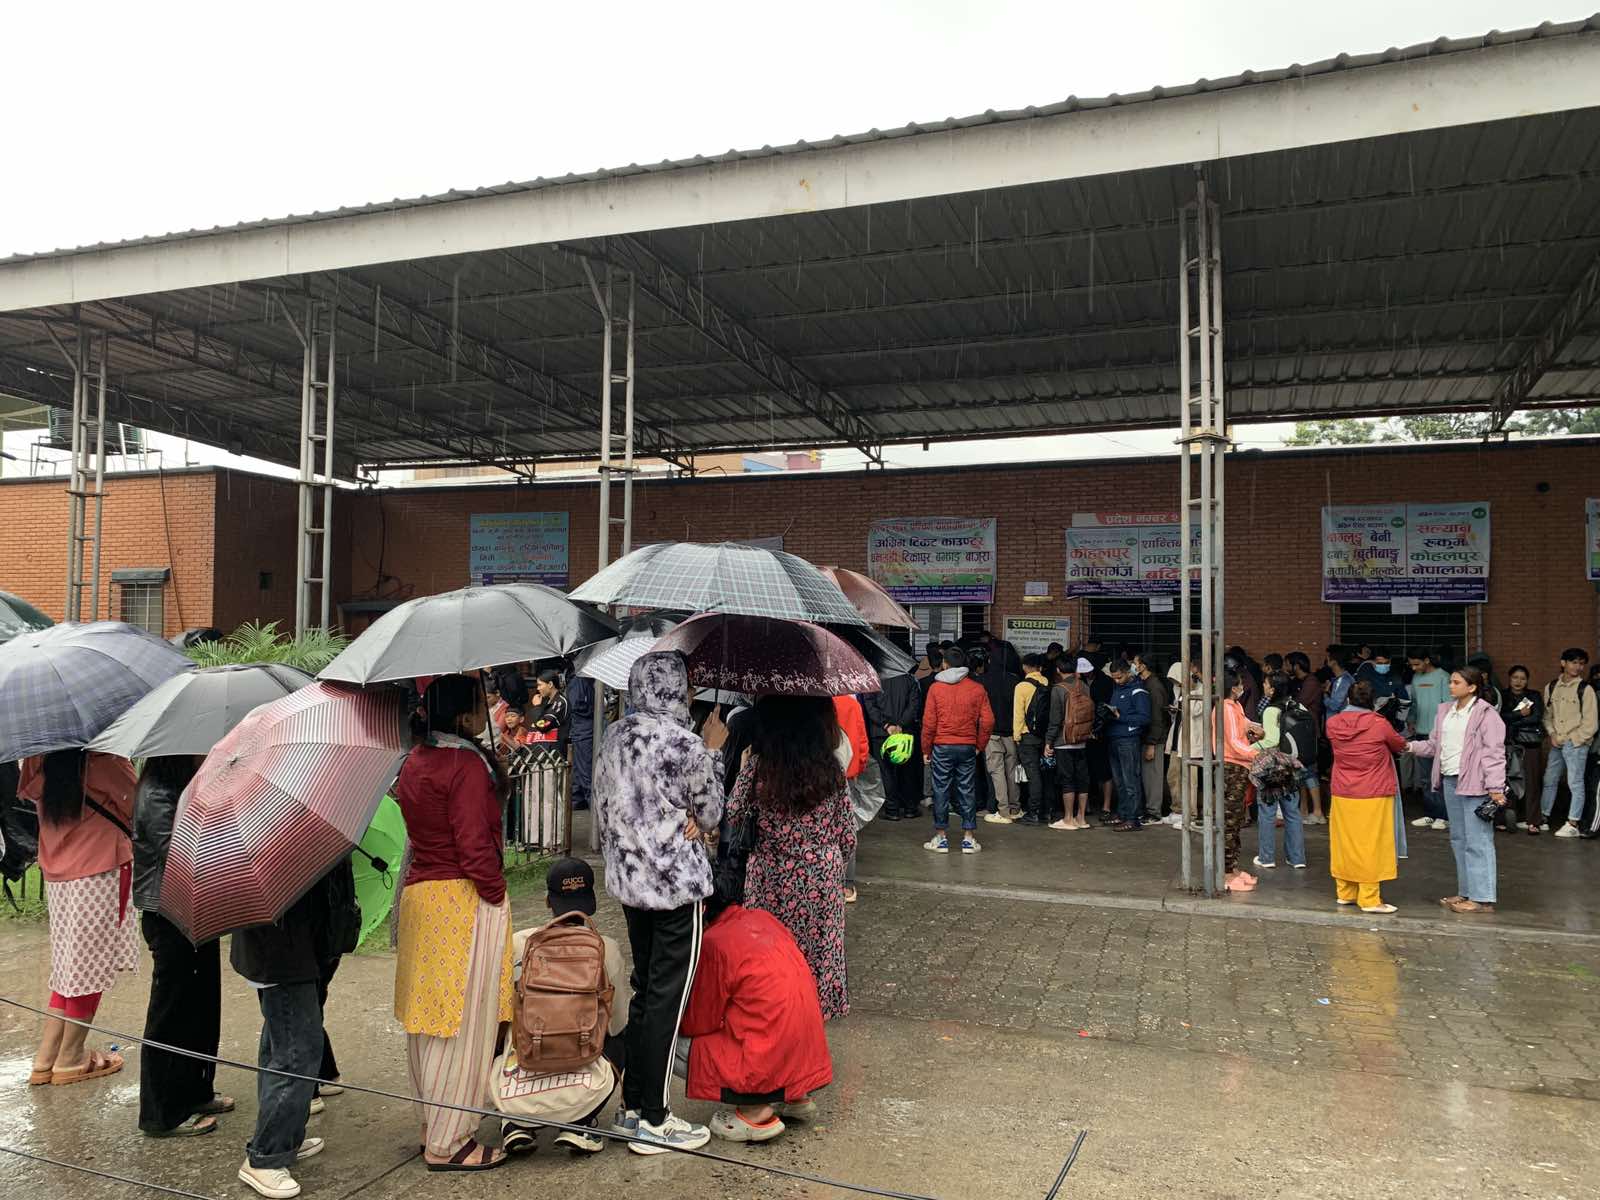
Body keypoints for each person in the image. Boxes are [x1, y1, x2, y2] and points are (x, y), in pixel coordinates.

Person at [595, 651, 724, 1153]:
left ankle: (633, 1107)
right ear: (678, 689)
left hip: (630, 887)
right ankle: (655, 1117)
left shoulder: (614, 738)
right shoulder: (686, 744)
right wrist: (712, 750)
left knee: (647, 992)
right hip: (677, 889)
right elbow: (711, 814)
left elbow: (613, 811)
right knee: (667, 1001)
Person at [394, 674, 516, 1173]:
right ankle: (450, 1143)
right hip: (463, 901)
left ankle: (434, 1123)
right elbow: (472, 846)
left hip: (422, 898)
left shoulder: (416, 760)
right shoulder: (463, 764)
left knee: (430, 1021)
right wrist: (496, 893)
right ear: (465, 716)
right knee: (465, 1023)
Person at [674, 870, 832, 1143]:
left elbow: (699, 1021)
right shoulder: (763, 918)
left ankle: (755, 1109)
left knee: (669, 1041)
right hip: (807, 1052)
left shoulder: (714, 942)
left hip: (765, 1054)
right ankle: (794, 1095)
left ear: (701, 908)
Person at [232, 855, 357, 1198]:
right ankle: (266, 1157)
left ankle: (283, 1140)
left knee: (280, 1047)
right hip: (281, 953)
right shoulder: (264, 835)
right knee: (296, 1053)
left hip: (294, 950)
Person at [726, 695, 855, 1018]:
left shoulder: (759, 766)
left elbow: (733, 814)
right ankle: (812, 1018)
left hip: (769, 875)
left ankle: (770, 1011)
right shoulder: (831, 769)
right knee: (817, 953)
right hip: (820, 878)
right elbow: (848, 835)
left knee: (768, 951)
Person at [495, 859, 630, 1157]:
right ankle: (580, 1122)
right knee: (625, 1033)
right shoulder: (605, 948)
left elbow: (501, 1016)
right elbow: (618, 1023)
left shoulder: (518, 944)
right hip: (581, 1065)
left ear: (547, 900)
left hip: (523, 1062)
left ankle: (514, 1121)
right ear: (591, 902)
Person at [21, 749, 139, 1088]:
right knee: (91, 966)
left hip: (57, 868)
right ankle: (72, 1057)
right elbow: (135, 806)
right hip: (99, 866)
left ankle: (47, 1059)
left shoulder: (37, 756)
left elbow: (30, 793)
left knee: (69, 964)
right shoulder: (104, 757)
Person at [133, 755, 232, 1137]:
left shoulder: (183, 788)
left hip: (194, 910)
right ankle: (162, 1113)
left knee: (202, 1006)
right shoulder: (156, 795)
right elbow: (180, 852)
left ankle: (194, 1090)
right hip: (168, 912)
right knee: (171, 1012)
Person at [1405, 666, 1507, 915]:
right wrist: (1407, 746)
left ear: (1471, 687)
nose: (1450, 686)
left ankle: (1483, 899)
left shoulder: (1486, 714)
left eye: (1456, 682)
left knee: (1478, 841)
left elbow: (1494, 753)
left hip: (1475, 782)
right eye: (1451, 682)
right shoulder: (1445, 712)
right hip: (1451, 780)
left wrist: (1495, 787)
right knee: (1459, 839)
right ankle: (1466, 892)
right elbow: (1433, 745)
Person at [1325, 680, 1408, 914]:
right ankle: (1370, 898)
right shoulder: (1379, 724)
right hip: (1374, 791)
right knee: (1372, 844)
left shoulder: (1332, 724)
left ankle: (1346, 892)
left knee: (1344, 842)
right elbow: (1399, 744)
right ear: (1373, 702)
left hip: (1342, 790)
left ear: (1348, 700)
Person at [920, 646, 994, 854]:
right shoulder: (977, 689)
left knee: (941, 789)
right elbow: (988, 721)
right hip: (967, 746)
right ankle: (969, 838)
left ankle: (941, 837)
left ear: (945, 664)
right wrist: (979, 744)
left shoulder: (936, 689)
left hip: (942, 745)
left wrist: (926, 748)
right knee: (966, 788)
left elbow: (928, 722)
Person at [1251, 672, 1307, 872]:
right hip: (1293, 765)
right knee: (1292, 812)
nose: (1264, 686)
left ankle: (1267, 857)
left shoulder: (1270, 710)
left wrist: (1249, 747)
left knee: (1267, 812)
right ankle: (1297, 858)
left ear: (1272, 689)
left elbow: (1271, 740)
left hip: (1273, 765)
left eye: (1265, 684)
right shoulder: (1297, 706)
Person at [1539, 648, 1596, 838]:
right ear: (1563, 663)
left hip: (1576, 743)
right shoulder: (1551, 686)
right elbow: (1548, 716)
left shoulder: (1585, 689)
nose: (1578, 667)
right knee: (1550, 780)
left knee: (1575, 782)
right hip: (1557, 741)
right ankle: (1543, 817)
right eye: (1574, 662)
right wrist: (1552, 734)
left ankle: (1573, 822)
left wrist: (1574, 740)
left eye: (1581, 663)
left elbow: (1591, 723)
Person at [1216, 673, 1260, 891]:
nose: (1243, 686)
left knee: (1235, 821)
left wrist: (1254, 733)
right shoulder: (1226, 709)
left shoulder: (1235, 707)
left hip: (1239, 767)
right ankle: (1225, 873)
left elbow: (1240, 736)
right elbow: (1233, 742)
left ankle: (1231, 868)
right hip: (1232, 767)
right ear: (1233, 688)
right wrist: (1256, 754)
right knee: (1229, 822)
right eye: (1240, 684)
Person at [866, 658, 924, 822]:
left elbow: (870, 706)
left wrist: (886, 725)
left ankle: (892, 809)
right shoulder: (909, 680)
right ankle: (910, 808)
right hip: (905, 733)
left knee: (886, 772)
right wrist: (900, 725)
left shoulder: (874, 679)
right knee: (907, 770)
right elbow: (914, 706)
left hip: (881, 733)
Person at [974, 648, 1022, 823]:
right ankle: (1015, 808)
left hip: (992, 733)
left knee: (997, 772)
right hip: (1011, 733)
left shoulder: (982, 682)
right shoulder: (1015, 681)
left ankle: (1003, 812)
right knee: (1011, 772)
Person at [833, 693, 872, 904]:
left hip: (818, 769)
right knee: (848, 826)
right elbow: (861, 738)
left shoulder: (816, 701)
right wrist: (860, 764)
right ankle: (847, 885)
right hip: (847, 771)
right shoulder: (851, 703)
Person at [1406, 649, 1452, 830]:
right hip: (1421, 732)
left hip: (1439, 734)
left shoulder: (1444, 677)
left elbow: (1448, 706)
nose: (1414, 668)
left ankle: (1444, 816)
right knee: (1425, 778)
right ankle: (1430, 814)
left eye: (1417, 664)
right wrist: (1411, 719)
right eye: (1411, 664)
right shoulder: (1416, 679)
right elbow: (1414, 703)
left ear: (1427, 660)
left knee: (1440, 776)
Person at [1049, 657, 1096, 830]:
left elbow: (1055, 720)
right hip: (1082, 740)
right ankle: (1081, 818)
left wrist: (1049, 742)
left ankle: (1068, 819)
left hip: (1064, 741)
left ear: (1059, 670)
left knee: (1067, 779)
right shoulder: (1084, 686)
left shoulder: (1058, 689)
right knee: (1083, 779)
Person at [1105, 660, 1151, 831]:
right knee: (1119, 781)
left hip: (1128, 740)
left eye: (1119, 677)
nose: (1116, 681)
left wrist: (1119, 716)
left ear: (1127, 672)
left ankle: (1133, 818)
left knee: (1130, 780)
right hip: (1114, 738)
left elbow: (1144, 718)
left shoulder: (1138, 691)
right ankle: (1123, 813)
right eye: (1114, 678)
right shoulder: (1117, 689)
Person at [1501, 666, 1546, 835]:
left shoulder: (1533, 695)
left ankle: (1533, 821)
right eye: (1515, 677)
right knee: (1508, 781)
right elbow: (1499, 716)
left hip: (1530, 744)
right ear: (1509, 678)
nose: (1518, 681)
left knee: (1532, 781)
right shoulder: (1503, 695)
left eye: (1522, 678)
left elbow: (1536, 717)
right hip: (1508, 744)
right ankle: (1507, 818)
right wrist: (1520, 714)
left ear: (1527, 680)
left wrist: (1512, 722)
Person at [1012, 654, 1053, 826]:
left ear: (1024, 667)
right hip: (1044, 736)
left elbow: (1018, 714)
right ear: (1040, 667)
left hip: (1027, 736)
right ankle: (1048, 810)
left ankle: (1033, 811)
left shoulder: (1022, 686)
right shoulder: (1048, 683)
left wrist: (1016, 736)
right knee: (1046, 773)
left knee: (1033, 774)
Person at [1286, 652, 1327, 824]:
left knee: (1309, 771)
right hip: (1300, 733)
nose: (1286, 668)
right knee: (1301, 772)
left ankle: (1318, 812)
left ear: (1296, 665)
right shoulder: (1302, 682)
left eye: (1287, 664)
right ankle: (1303, 810)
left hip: (1309, 733)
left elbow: (1299, 703)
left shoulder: (1311, 682)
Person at [1132, 653, 1172, 823]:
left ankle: (1154, 813)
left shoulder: (1154, 686)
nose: (1133, 666)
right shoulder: (1146, 683)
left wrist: (1151, 743)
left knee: (1153, 778)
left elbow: (1157, 717)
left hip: (1154, 739)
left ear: (1143, 666)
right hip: (1149, 737)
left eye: (1135, 663)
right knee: (1148, 777)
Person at [568, 673, 596, 810]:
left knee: (583, 768)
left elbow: (576, 706)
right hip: (584, 728)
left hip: (583, 729)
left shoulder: (581, 681)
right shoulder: (583, 682)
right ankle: (580, 799)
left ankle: (583, 799)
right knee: (583, 767)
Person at [527, 669, 570, 755]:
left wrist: (537, 707)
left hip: (555, 755)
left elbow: (542, 725)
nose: (538, 688)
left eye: (540, 685)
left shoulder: (560, 702)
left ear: (550, 684)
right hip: (544, 752)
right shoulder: (547, 701)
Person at [1324, 647, 1354, 717]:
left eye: (1328, 658)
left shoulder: (1343, 681)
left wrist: (1325, 693)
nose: (1326, 659)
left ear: (1334, 662)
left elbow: (1334, 706)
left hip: (1338, 724)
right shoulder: (1342, 679)